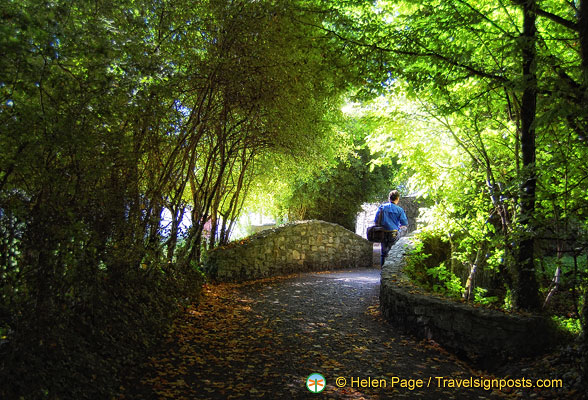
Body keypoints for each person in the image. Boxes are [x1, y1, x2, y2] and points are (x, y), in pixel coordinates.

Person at [375, 190, 408, 266]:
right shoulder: (399, 210)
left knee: (383, 253)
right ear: (397, 198)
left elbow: (376, 220)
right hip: (393, 233)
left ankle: (383, 270)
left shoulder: (382, 207)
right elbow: (404, 223)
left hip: (382, 232)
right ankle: (390, 270)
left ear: (389, 198)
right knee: (392, 252)